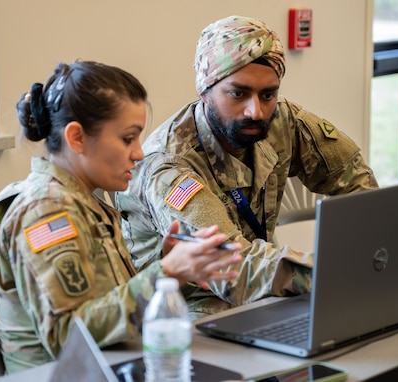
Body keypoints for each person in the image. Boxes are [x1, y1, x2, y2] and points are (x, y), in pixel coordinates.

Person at [0, 60, 244, 374]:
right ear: (76, 138)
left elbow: (109, 308)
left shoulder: (81, 200)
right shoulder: (46, 212)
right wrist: (166, 272)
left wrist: (169, 268)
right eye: (128, 139)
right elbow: (70, 338)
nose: (139, 153)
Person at [115, 15, 379, 316]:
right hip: (178, 309)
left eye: (268, 94)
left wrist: (371, 253)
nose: (256, 111)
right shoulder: (170, 165)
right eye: (238, 93)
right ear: (205, 90)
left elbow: (357, 183)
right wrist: (333, 275)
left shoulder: (283, 121)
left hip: (254, 291)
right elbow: (227, 264)